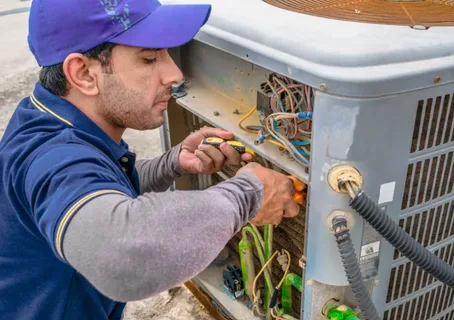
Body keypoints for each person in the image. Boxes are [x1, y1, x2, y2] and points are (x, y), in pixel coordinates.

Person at [0, 0, 299, 319]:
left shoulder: (49, 118)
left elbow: (97, 184)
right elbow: (121, 255)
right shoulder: (51, 154)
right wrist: (248, 196)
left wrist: (170, 165)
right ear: (84, 73)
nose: (174, 73)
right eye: (149, 58)